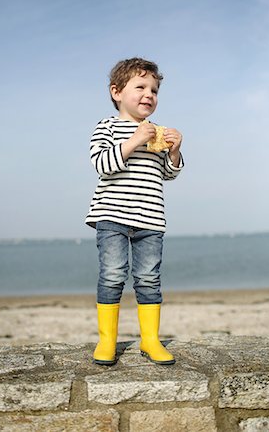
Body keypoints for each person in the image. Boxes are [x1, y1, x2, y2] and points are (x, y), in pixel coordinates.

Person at [85, 57, 183, 365]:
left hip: (151, 220)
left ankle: (150, 340)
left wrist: (175, 150)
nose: (149, 95)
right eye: (140, 87)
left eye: (154, 90)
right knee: (113, 276)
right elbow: (102, 164)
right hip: (112, 217)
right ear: (116, 92)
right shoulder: (107, 127)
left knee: (148, 279)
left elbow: (169, 173)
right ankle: (106, 341)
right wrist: (134, 140)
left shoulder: (158, 133)